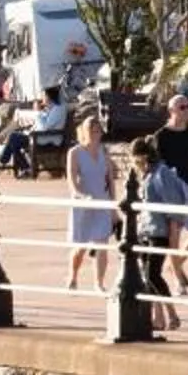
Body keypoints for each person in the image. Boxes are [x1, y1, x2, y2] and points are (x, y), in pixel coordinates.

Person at [133, 134, 186, 331]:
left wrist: (174, 233)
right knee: (147, 276)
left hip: (159, 231)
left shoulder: (161, 173)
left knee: (152, 274)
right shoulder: (146, 174)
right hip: (145, 230)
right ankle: (158, 318)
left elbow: (174, 204)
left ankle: (172, 314)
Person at [154, 93, 188, 282]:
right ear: (171, 110)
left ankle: (174, 265)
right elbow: (157, 167)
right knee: (174, 235)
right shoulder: (161, 136)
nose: (186, 110)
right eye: (182, 107)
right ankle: (179, 279)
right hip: (173, 190)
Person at [65, 113, 117, 290]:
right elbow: (72, 180)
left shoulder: (104, 152)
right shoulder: (75, 153)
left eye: (97, 131)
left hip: (102, 203)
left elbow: (110, 181)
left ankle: (99, 283)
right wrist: (80, 195)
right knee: (80, 247)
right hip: (83, 204)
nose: (95, 134)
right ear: (83, 132)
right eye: (91, 131)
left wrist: (113, 207)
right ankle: (73, 276)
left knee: (102, 245)